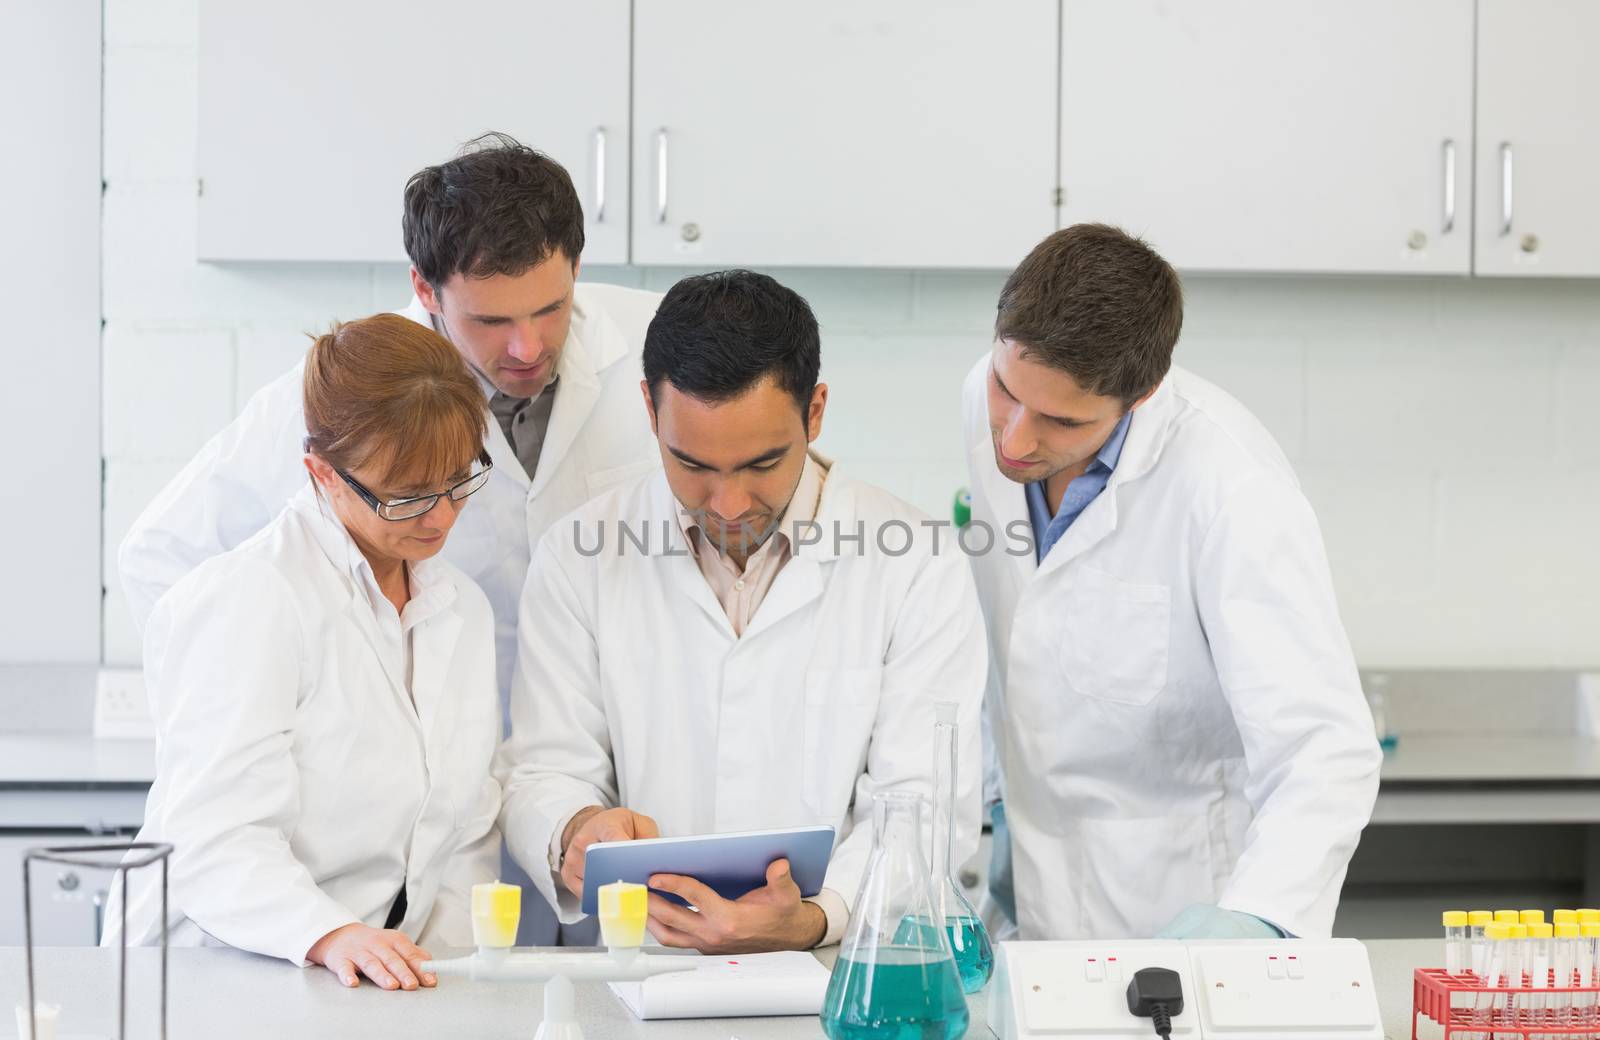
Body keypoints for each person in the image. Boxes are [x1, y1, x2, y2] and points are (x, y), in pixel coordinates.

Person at [499, 270, 986, 952]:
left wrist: (816, 917)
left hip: (834, 972)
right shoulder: (580, 553)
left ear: (814, 411)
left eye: (762, 462)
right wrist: (573, 827)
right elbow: (544, 768)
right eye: (692, 463)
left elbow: (924, 806)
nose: (728, 503)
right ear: (649, 408)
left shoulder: (916, 563)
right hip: (639, 973)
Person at [118, 133, 662, 709]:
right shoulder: (352, 391)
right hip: (425, 766)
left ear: (576, 265)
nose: (527, 347)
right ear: (426, 289)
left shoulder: (659, 344)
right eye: (491, 320)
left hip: (600, 750)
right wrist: (250, 720)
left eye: (551, 309)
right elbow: (161, 555)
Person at [962, 224, 1382, 942]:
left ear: (1142, 393)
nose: (1015, 439)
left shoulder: (1230, 486)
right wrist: (996, 805)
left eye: (1062, 420)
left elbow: (1324, 746)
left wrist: (1261, 913)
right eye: (1008, 391)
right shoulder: (987, 395)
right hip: (1028, 896)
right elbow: (1023, 637)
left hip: (1172, 911)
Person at [103, 315, 503, 990]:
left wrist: (444, 976)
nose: (440, 516)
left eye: (458, 479)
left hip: (356, 978)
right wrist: (328, 932)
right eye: (406, 494)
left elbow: (465, 830)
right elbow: (214, 837)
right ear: (323, 473)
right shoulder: (253, 597)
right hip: (209, 969)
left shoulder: (460, 608)